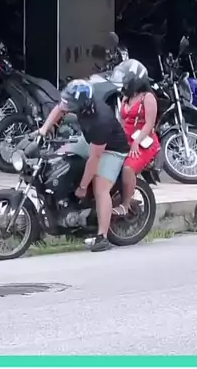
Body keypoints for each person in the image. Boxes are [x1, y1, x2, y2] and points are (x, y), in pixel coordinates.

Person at [37, 79, 130, 252]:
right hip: (90, 140)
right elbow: (59, 108)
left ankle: (102, 237)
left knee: (100, 188)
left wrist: (82, 187)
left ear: (83, 105)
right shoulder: (80, 103)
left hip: (112, 149)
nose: (67, 105)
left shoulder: (100, 120)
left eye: (70, 103)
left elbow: (94, 158)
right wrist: (43, 130)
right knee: (61, 155)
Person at [111, 59, 160, 217]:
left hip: (144, 141)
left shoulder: (148, 97)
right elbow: (121, 121)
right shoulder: (125, 98)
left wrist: (136, 143)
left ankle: (125, 205)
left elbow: (149, 124)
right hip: (126, 139)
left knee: (128, 168)